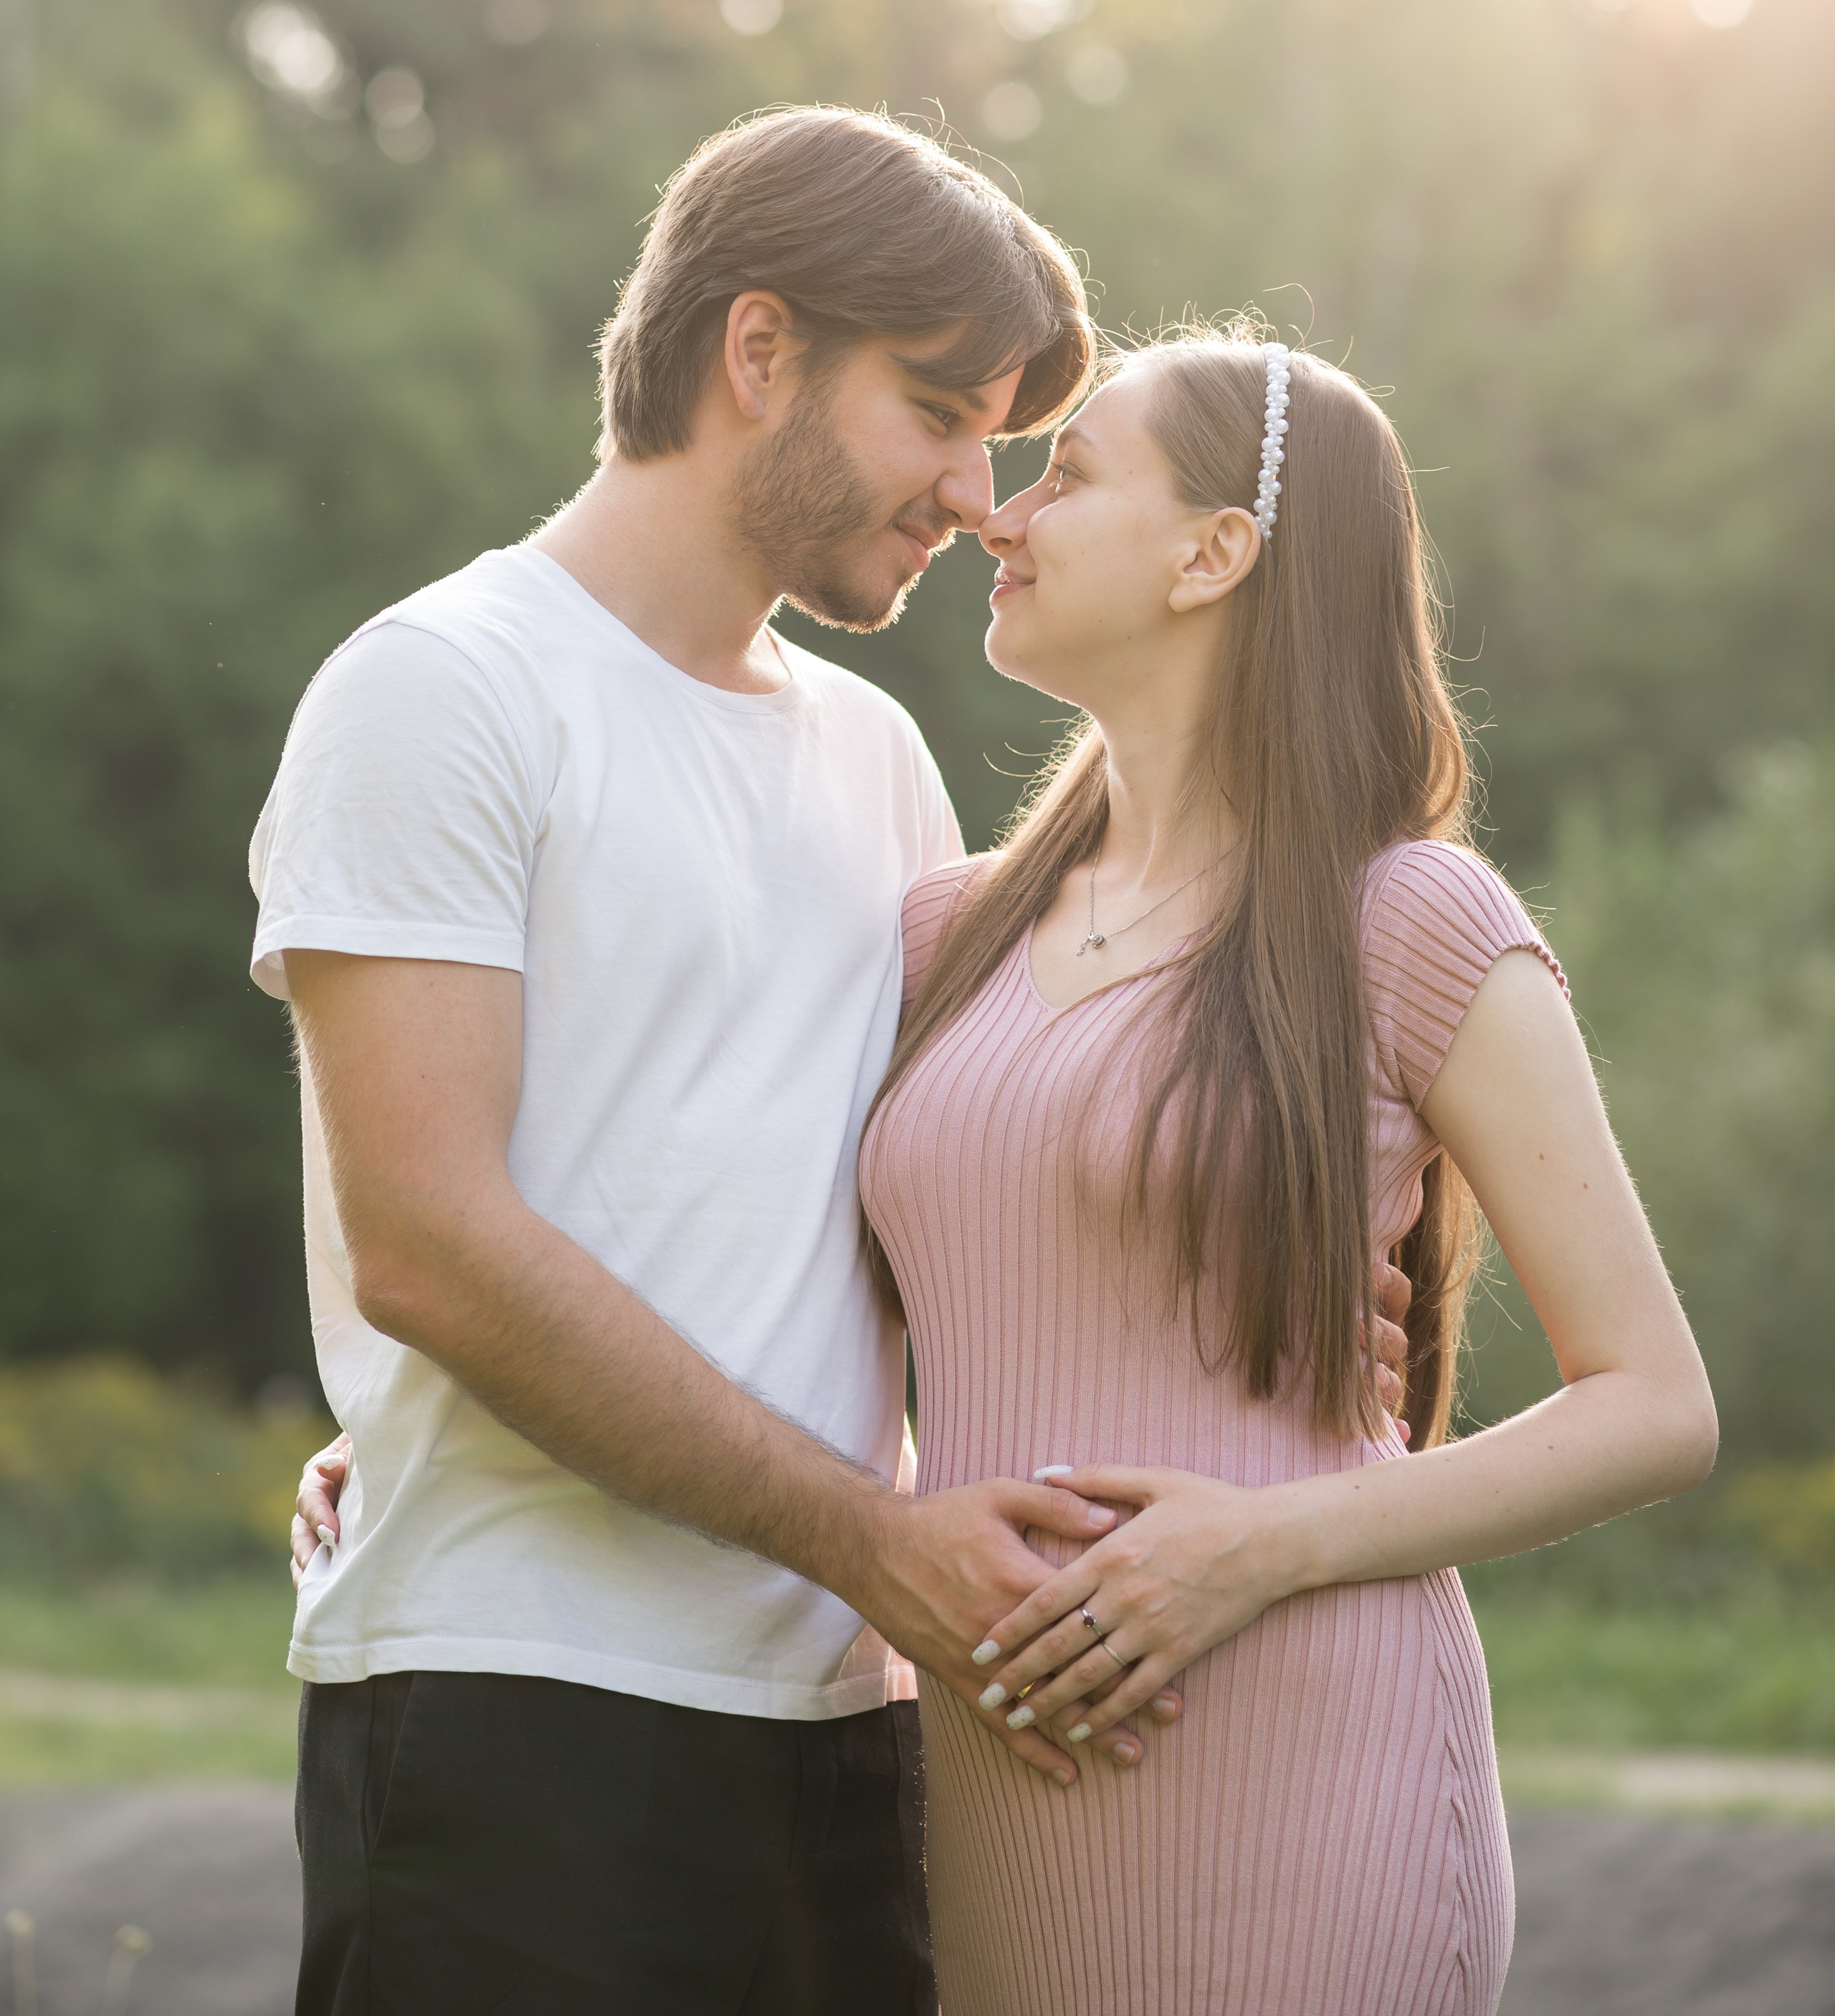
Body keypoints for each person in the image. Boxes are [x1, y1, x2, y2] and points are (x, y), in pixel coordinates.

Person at [262, 107, 1415, 2014]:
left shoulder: (879, 758)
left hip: (861, 1724)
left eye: (1003, 439)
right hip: (524, 1711)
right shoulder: (441, 689)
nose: (981, 490)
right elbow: (433, 1247)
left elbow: (913, 1194)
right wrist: (868, 1537)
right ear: (762, 349)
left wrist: (1238, 1296)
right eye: (944, 411)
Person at [857, 328, 1719, 2016]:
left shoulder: (1406, 920)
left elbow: (1653, 1401)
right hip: (987, 1803)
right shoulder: (939, 935)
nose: (998, 516)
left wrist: (1250, 1547)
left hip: (1302, 1779)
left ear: (1213, 552)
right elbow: (734, 1254)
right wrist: (443, 1407)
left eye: (1068, 472)